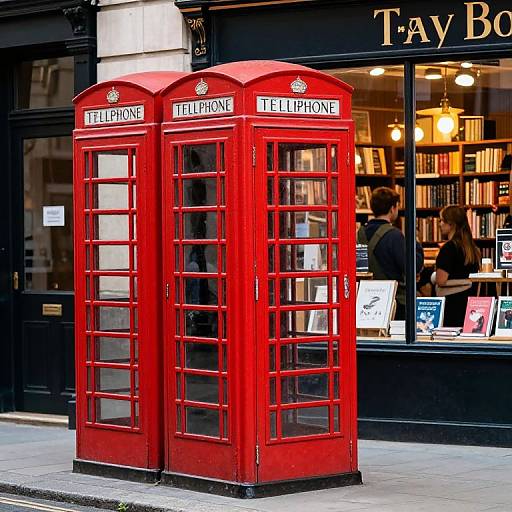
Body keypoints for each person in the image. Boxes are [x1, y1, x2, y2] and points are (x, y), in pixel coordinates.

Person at [357, 187, 424, 320]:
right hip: (394, 301)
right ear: (392, 208)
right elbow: (412, 266)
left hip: (365, 299)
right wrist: (415, 243)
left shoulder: (359, 233)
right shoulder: (394, 235)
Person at [435, 205, 480, 327]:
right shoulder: (472, 249)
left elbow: (441, 280)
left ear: (451, 224)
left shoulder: (448, 248)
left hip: (450, 305)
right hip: (468, 305)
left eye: (442, 220)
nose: (439, 224)